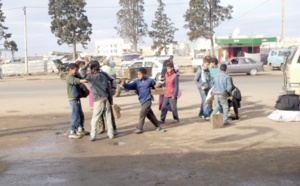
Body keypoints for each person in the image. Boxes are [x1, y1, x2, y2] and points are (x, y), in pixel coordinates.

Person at [122, 67, 164, 134]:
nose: (138, 76)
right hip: (142, 101)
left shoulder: (149, 80)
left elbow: (156, 85)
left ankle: (139, 128)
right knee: (149, 114)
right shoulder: (136, 81)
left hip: (147, 101)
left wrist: (159, 85)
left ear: (145, 75)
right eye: (138, 74)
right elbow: (129, 86)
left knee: (142, 113)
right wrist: (124, 84)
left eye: (140, 74)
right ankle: (158, 125)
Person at [80, 61, 114, 141]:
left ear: (93, 70)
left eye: (90, 69)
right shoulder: (104, 75)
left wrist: (85, 65)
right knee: (108, 117)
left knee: (94, 118)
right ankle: (111, 134)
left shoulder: (94, 77)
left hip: (98, 99)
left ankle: (93, 135)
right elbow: (112, 80)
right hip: (106, 98)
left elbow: (83, 74)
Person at [66, 63, 89, 139]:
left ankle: (80, 129)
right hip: (73, 99)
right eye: (75, 70)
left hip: (77, 98)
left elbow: (81, 76)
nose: (76, 71)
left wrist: (85, 66)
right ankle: (72, 131)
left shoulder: (75, 75)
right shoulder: (69, 77)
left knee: (80, 115)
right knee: (75, 115)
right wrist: (86, 80)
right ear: (70, 69)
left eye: (77, 70)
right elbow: (77, 81)